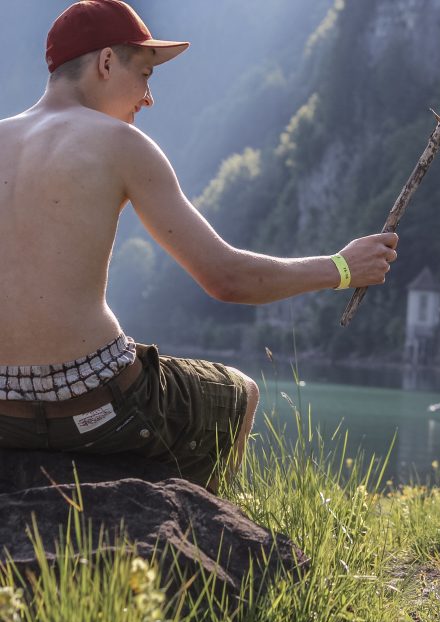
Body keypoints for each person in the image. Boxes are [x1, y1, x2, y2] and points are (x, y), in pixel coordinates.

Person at [0, 0, 399, 493]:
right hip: (100, 406)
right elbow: (226, 278)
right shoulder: (120, 144)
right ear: (106, 62)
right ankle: (203, 529)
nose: (148, 97)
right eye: (144, 74)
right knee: (239, 394)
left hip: (4, 415)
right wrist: (341, 267)